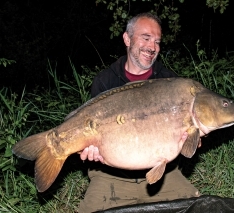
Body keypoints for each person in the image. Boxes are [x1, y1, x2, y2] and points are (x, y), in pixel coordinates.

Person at [78, 12, 200, 213]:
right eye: (146, 38)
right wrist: (93, 150)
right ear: (127, 39)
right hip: (110, 175)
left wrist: (193, 137)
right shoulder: (105, 81)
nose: (152, 47)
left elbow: (189, 144)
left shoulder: (170, 82)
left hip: (165, 175)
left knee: (196, 208)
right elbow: (92, 131)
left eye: (157, 41)